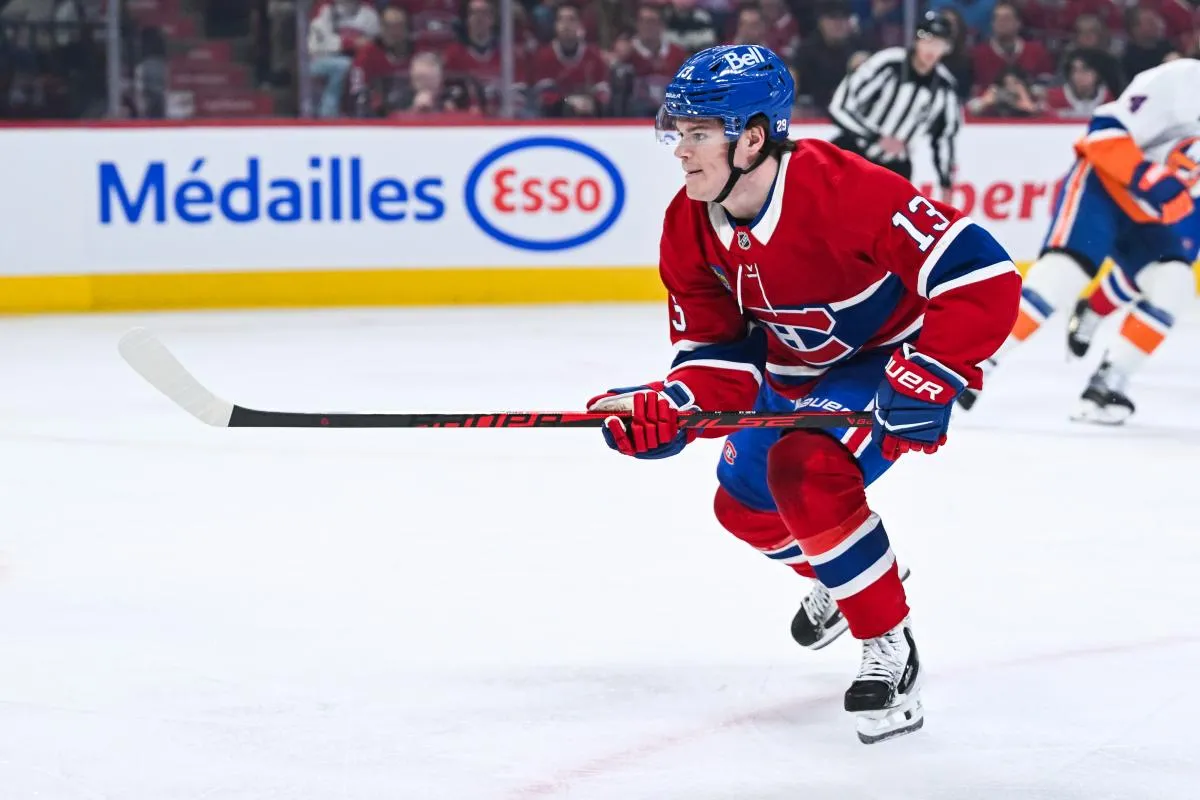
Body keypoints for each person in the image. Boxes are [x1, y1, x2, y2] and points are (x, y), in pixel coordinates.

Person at [587, 44, 1020, 744]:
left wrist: (934, 368)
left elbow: (981, 274)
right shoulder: (686, 224)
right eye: (678, 132)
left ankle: (890, 646)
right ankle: (853, 579)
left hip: (881, 361)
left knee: (805, 469)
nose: (681, 151)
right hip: (792, 372)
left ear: (753, 138)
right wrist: (674, 408)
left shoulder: (847, 191)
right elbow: (718, 356)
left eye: (698, 133)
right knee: (743, 508)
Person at [956, 58, 1200, 423]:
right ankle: (968, 367)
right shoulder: (1182, 80)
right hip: (1102, 187)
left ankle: (1107, 384)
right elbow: (1103, 132)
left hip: (1151, 214)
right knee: (1061, 277)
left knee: (1174, 284)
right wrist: (1147, 176)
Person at [827, 11, 961, 193]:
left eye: (939, 44)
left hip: (895, 168)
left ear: (947, 48)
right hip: (852, 152)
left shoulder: (945, 88)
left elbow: (945, 137)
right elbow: (839, 106)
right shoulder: (888, 64)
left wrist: (946, 183)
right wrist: (876, 137)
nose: (932, 49)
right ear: (916, 40)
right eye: (928, 41)